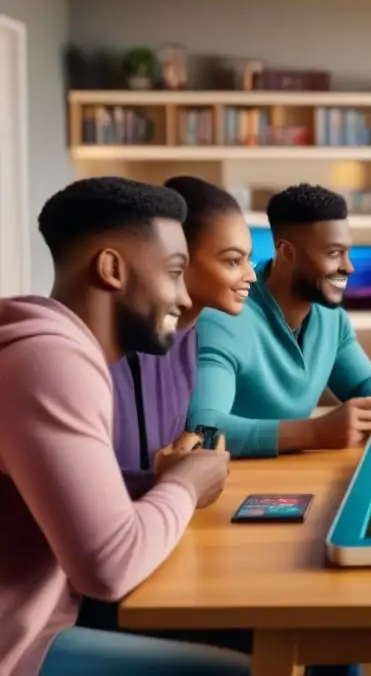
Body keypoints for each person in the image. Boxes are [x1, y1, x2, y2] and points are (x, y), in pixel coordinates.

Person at [0, 176, 244, 676]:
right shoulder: (50, 361)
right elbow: (107, 568)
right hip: (24, 649)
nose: (182, 297)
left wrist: (158, 482)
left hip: (51, 623)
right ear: (111, 269)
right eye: (174, 273)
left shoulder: (51, 349)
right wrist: (183, 485)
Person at [188, 183, 371, 458]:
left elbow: (364, 383)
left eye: (348, 252)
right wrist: (315, 432)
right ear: (287, 252)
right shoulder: (223, 318)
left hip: (292, 477)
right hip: (230, 484)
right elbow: (202, 429)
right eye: (334, 253)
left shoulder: (332, 318)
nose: (349, 267)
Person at [110, 176, 256, 498]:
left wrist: (195, 444)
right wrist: (171, 478)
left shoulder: (189, 336)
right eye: (233, 261)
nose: (251, 275)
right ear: (178, 258)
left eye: (248, 259)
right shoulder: (115, 349)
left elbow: (198, 426)